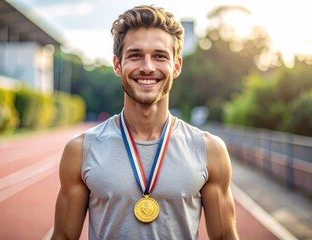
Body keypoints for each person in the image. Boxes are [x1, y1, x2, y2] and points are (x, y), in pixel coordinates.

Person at [51, 5, 239, 240]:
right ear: (118, 65)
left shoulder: (209, 149)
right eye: (135, 55)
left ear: (176, 66)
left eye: (160, 56)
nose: (148, 67)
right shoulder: (81, 150)